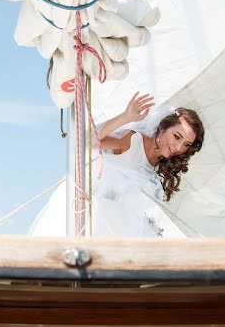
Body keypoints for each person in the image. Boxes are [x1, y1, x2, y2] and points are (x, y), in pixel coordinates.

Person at [29, 92, 205, 238]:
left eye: (187, 144)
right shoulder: (133, 141)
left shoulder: (161, 167)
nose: (179, 147)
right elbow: (85, 141)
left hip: (126, 232)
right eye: (177, 136)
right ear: (162, 128)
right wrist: (126, 117)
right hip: (93, 218)